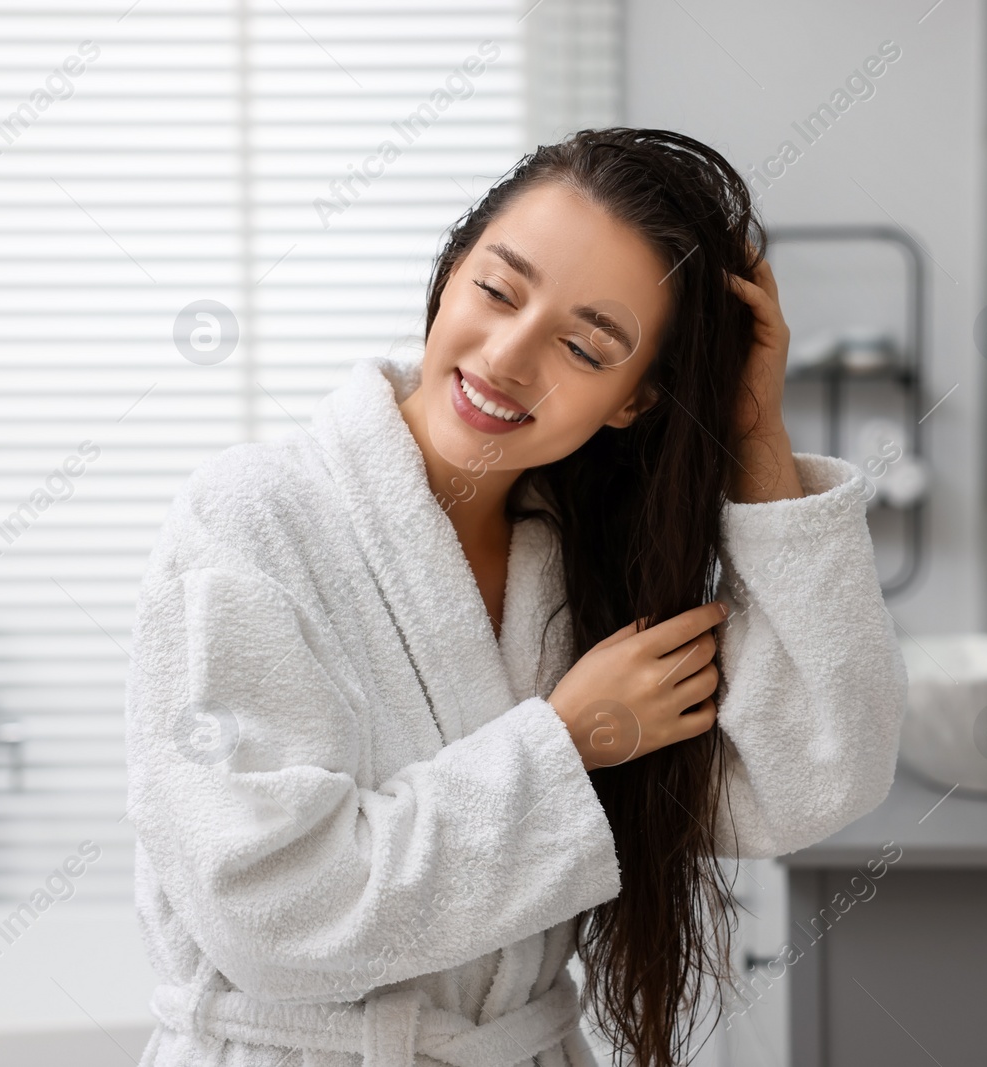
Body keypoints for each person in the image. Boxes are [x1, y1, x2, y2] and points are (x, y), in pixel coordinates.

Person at [124, 127, 906, 1067]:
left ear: (634, 400)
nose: (507, 356)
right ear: (452, 270)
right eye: (498, 288)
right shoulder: (252, 520)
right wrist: (567, 740)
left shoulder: (593, 567)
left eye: (586, 344)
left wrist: (755, 433)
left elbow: (814, 776)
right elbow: (271, 911)